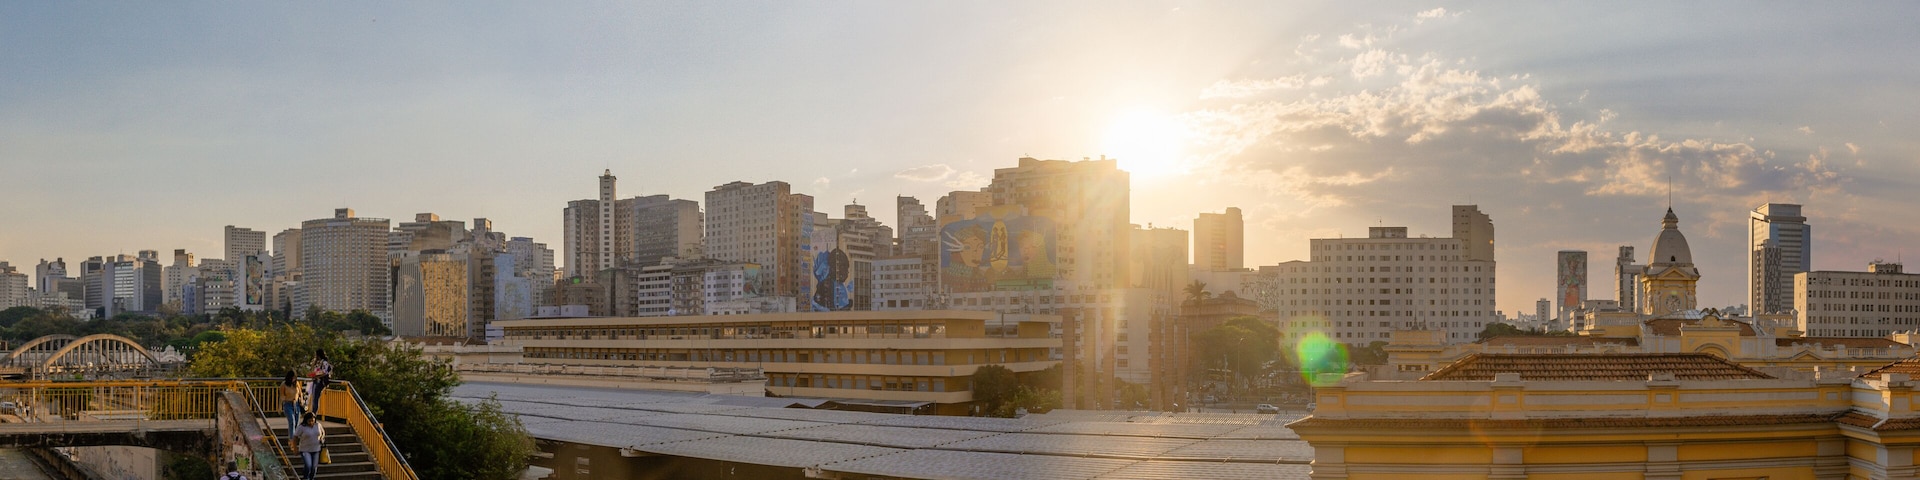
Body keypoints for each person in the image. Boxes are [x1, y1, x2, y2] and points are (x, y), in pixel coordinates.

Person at [293, 415, 324, 480]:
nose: (311, 423)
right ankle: (306, 477)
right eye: (309, 421)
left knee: (314, 467)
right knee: (308, 465)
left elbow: (322, 432)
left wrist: (321, 438)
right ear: (306, 420)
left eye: (312, 421)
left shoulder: (318, 425)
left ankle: (312, 478)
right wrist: (295, 448)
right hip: (305, 449)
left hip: (316, 449)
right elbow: (295, 437)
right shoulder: (302, 427)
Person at [305, 349, 332, 417]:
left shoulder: (324, 362)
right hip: (316, 380)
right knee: (314, 397)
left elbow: (324, 372)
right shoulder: (318, 362)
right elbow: (314, 369)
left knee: (315, 398)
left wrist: (316, 375)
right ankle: (313, 412)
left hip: (320, 381)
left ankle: (314, 414)